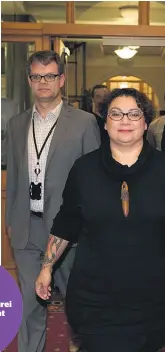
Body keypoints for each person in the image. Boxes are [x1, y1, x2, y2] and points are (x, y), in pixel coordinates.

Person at [34, 88, 165, 352]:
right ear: (105, 123)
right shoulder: (84, 169)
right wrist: (47, 268)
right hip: (95, 299)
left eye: (134, 114)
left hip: (153, 300)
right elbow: (66, 222)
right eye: (116, 114)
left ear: (145, 123)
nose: (125, 121)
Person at [5, 50, 100, 352]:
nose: (43, 82)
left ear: (61, 79)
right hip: (27, 229)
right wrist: (10, 223)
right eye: (36, 76)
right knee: (29, 306)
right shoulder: (17, 124)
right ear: (29, 80)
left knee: (79, 304)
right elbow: (16, 178)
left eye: (49, 76)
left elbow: (94, 180)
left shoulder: (85, 123)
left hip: (70, 233)